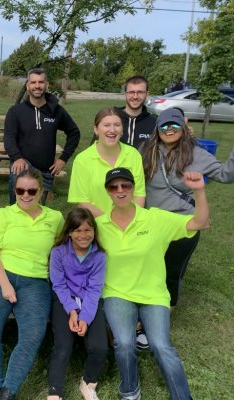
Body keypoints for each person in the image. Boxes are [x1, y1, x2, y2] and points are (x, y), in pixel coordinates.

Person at [98, 167, 209, 400]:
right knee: (125, 343)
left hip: (154, 294)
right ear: (107, 191)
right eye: (113, 186)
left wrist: (199, 192)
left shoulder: (155, 218)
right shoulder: (99, 225)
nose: (120, 190)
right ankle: (130, 390)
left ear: (134, 188)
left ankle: (182, 397)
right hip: (117, 293)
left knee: (161, 346)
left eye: (125, 185)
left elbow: (200, 223)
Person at [0, 168, 63, 400]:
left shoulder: (54, 218)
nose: (25, 195)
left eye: (31, 190)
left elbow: (59, 251)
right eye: (20, 190)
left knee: (33, 334)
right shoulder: (4, 215)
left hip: (35, 281)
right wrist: (6, 286)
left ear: (41, 191)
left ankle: (8, 391)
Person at [141, 108, 234, 307]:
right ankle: (147, 307)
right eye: (163, 125)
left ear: (183, 128)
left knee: (172, 271)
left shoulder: (196, 154)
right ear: (157, 129)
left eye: (174, 125)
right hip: (151, 223)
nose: (169, 129)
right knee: (148, 269)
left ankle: (168, 308)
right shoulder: (146, 151)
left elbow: (226, 175)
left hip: (183, 223)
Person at [47, 208, 107, 400]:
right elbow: (58, 284)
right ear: (69, 232)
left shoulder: (99, 256)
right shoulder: (58, 253)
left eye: (88, 230)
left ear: (94, 232)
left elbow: (94, 289)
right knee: (63, 346)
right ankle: (54, 390)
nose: (83, 235)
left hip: (90, 301)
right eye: (78, 230)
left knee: (99, 348)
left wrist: (85, 318)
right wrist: (72, 311)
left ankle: (88, 382)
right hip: (64, 300)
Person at [4, 67, 80, 204]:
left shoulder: (56, 111)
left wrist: (63, 158)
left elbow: (74, 133)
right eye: (33, 82)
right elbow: (9, 138)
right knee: (17, 209)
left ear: (47, 85)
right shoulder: (16, 111)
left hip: (46, 169)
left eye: (41, 82)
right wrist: (17, 157)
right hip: (23, 167)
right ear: (27, 85)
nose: (37, 86)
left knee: (39, 212)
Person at [68, 107, 146, 217]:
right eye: (107, 125)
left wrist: (130, 219)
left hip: (130, 222)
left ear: (122, 129)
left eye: (117, 125)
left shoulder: (133, 155)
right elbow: (82, 201)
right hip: (98, 223)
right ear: (96, 130)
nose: (112, 130)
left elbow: (139, 194)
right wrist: (110, 222)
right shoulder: (82, 160)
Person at [117, 76, 157, 148]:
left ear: (147, 94)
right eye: (131, 92)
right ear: (125, 94)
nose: (135, 96)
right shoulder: (110, 119)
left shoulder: (155, 123)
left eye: (140, 92)